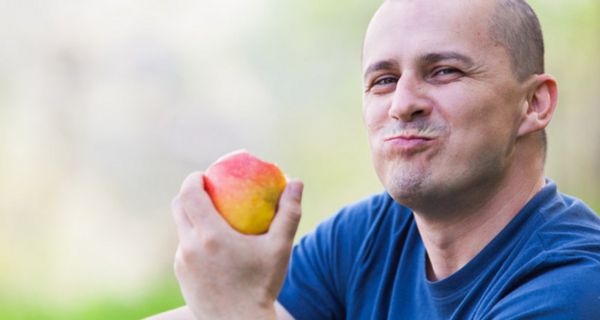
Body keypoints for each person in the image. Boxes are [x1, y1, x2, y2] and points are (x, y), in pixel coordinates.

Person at [148, 0, 600, 319]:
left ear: (534, 104)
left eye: (444, 71)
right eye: (383, 80)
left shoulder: (574, 288)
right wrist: (227, 296)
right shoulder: (370, 237)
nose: (403, 103)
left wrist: (237, 312)